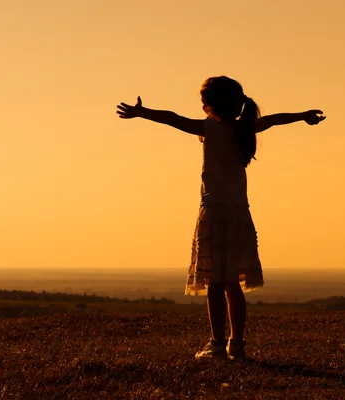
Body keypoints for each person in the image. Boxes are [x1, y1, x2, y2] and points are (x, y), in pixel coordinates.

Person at [116, 76, 325, 360]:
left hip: (214, 211)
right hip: (239, 212)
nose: (201, 105)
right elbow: (275, 120)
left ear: (212, 106)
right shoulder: (244, 129)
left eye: (204, 101)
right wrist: (303, 116)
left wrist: (142, 113)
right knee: (232, 284)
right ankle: (236, 344)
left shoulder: (209, 128)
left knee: (216, 282)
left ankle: (216, 344)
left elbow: (172, 118)